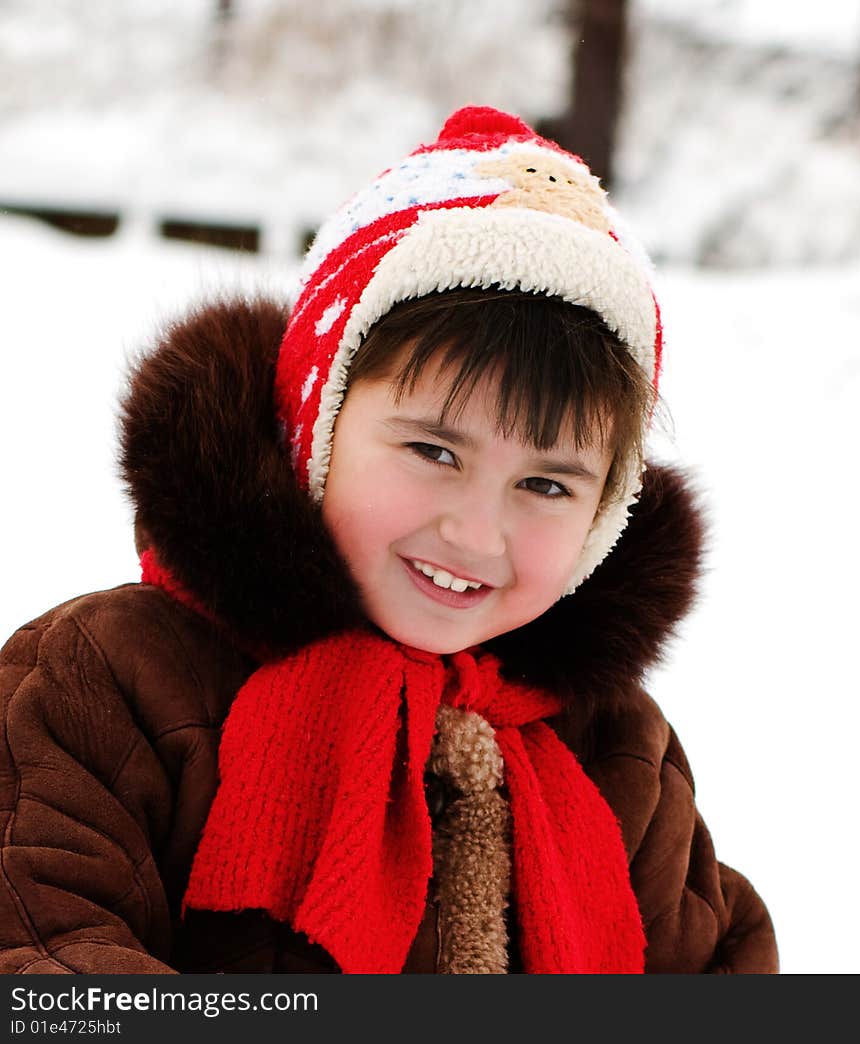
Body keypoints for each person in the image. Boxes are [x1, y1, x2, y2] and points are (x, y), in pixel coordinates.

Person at [0, 106, 777, 974]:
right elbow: (43, 964)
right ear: (315, 426)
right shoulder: (110, 682)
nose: (477, 531)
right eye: (433, 451)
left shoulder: (614, 750)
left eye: (547, 485)